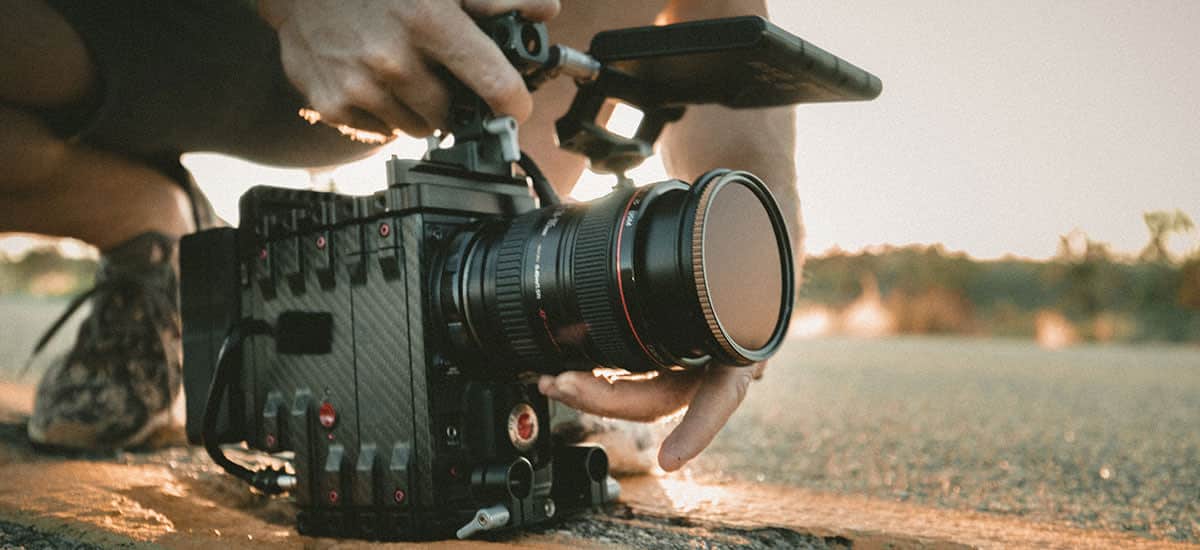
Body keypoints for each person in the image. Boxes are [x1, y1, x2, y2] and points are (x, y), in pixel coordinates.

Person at [0, 0, 799, 473]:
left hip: (422, 60)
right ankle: (143, 225)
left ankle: (526, 325)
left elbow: (716, 26)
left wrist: (736, 255)